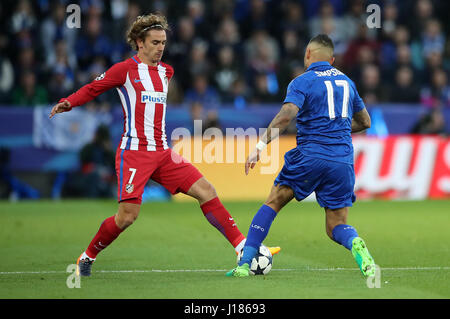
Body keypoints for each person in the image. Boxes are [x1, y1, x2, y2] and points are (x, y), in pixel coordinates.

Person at [49, 13, 279, 277]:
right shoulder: (123, 70)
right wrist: (70, 102)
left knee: (206, 190)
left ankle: (241, 248)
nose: (161, 48)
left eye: (163, 43)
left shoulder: (166, 72)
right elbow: (93, 88)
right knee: (127, 217)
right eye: (155, 42)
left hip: (163, 152)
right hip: (134, 152)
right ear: (140, 42)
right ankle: (87, 256)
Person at [227, 34, 376, 277]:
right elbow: (365, 122)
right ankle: (355, 242)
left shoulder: (302, 82)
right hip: (342, 161)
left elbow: (286, 116)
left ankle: (244, 264)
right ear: (332, 59)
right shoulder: (348, 82)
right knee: (336, 226)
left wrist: (260, 146)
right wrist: (335, 131)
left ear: (308, 54)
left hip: (311, 156)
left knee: (274, 201)